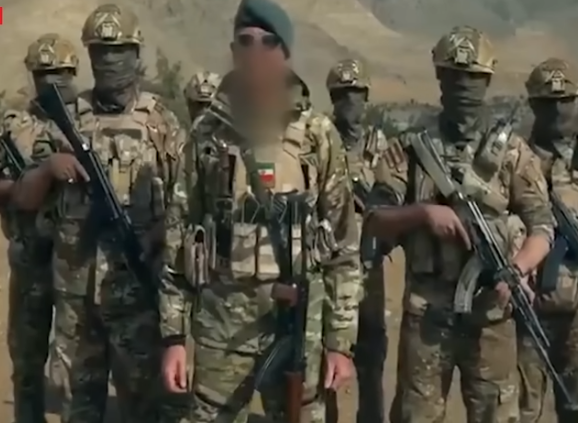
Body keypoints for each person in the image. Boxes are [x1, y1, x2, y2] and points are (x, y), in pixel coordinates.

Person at [159, 0, 361, 422]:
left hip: (296, 324)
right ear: (234, 51)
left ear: (285, 51)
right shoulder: (207, 133)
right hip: (221, 328)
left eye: (268, 42)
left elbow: (343, 245)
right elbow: (180, 231)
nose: (256, 52)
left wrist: (340, 342)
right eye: (245, 41)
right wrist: (174, 337)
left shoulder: (317, 135)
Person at [366, 25, 554, 423]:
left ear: (487, 80)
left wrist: (517, 268)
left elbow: (542, 226)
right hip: (427, 317)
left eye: (473, 78)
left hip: (492, 317)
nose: (464, 87)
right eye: (454, 76)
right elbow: (375, 219)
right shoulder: (411, 149)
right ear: (439, 77)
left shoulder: (511, 153)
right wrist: (423, 214)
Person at [12, 4, 185, 423]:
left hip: (136, 297)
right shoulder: (64, 118)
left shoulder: (161, 123)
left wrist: (156, 237)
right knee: (79, 410)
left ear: (136, 53)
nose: (110, 60)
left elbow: (184, 207)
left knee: (142, 409)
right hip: (75, 302)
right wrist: (48, 169)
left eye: (119, 50)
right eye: (100, 50)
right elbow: (25, 199)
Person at [3, 32, 80, 423]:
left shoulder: (88, 123)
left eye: (60, 73)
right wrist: (28, 182)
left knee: (76, 370)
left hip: (78, 265)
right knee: (27, 364)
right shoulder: (13, 125)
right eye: (43, 74)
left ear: (74, 73)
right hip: (30, 259)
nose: (51, 81)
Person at [325, 59, 388, 423]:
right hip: (330, 265)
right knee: (326, 355)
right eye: (342, 95)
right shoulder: (321, 140)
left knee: (372, 352)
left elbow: (392, 197)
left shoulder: (380, 145)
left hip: (369, 266)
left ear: (366, 97)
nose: (349, 102)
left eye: (356, 94)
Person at [517, 57, 578, 423]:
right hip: (529, 312)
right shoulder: (515, 160)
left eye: (566, 100)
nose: (558, 110)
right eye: (548, 101)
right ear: (533, 105)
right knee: (523, 411)